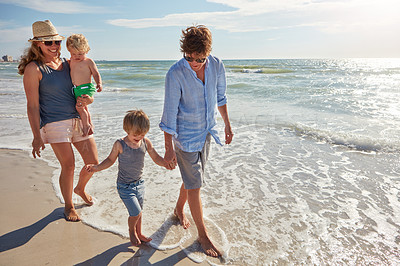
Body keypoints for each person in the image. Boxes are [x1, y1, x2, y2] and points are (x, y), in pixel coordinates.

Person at [159, 25, 233, 257]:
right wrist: (168, 149)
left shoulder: (217, 65)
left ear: (208, 52)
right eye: (189, 57)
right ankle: (202, 236)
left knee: (194, 179)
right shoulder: (175, 73)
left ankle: (179, 209)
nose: (194, 63)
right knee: (195, 184)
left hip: (206, 133)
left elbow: (220, 97)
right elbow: (169, 114)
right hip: (185, 137)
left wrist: (227, 124)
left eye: (199, 59)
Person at [18, 20, 98, 222]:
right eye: (49, 43)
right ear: (38, 44)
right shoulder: (33, 69)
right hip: (54, 123)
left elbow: (83, 88)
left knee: (93, 163)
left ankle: (80, 188)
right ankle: (69, 205)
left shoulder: (67, 63)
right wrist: (37, 136)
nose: (54, 46)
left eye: (56, 42)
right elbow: (33, 106)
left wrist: (89, 100)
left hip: (78, 119)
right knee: (69, 165)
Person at [84, 110, 168, 246]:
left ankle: (139, 233)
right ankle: (131, 231)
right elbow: (110, 160)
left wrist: (165, 163)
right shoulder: (120, 144)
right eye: (136, 134)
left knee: (139, 212)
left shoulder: (145, 142)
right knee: (135, 212)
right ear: (127, 130)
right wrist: (96, 167)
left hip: (140, 184)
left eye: (142, 134)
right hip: (124, 186)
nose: (139, 137)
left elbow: (156, 157)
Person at [66, 34, 102, 136]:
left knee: (80, 107)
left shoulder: (88, 62)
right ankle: (90, 124)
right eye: (74, 54)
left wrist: (99, 83)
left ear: (86, 50)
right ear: (69, 51)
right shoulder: (71, 61)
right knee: (84, 108)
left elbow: (95, 73)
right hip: (77, 89)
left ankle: (86, 126)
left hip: (86, 88)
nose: (77, 57)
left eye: (80, 54)